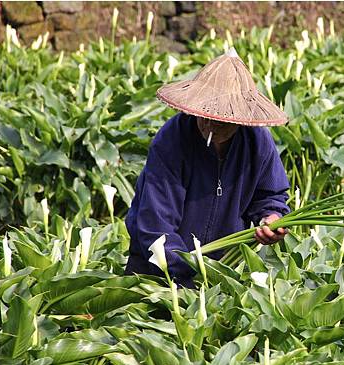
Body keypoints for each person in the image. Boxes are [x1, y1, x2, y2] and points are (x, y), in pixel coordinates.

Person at [124, 48, 290, 288]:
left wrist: (271, 219)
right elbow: (155, 224)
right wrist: (195, 271)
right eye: (206, 112)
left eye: (222, 119)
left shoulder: (257, 142)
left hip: (222, 273)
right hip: (158, 273)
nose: (210, 123)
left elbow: (270, 196)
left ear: (239, 118)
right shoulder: (171, 140)